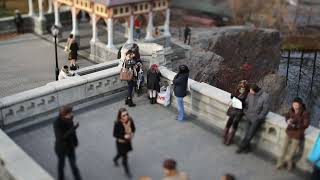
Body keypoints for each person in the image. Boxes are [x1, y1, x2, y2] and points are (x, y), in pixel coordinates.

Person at [276, 97, 309, 171]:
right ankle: (279, 163)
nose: (295, 106)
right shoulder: (291, 110)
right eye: (294, 104)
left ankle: (289, 165)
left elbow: (306, 124)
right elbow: (287, 116)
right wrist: (287, 120)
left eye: (296, 105)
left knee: (292, 152)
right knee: (283, 149)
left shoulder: (305, 113)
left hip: (297, 134)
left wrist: (296, 125)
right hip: (289, 132)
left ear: (300, 105)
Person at [236, 84, 270, 154]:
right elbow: (246, 103)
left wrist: (259, 118)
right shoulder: (250, 94)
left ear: (255, 90)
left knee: (250, 134)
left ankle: (241, 147)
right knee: (247, 132)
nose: (250, 91)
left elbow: (265, 110)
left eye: (251, 90)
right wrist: (245, 111)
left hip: (256, 119)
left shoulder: (265, 96)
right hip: (248, 116)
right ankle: (247, 148)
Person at [53, 106, 82, 180]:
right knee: (61, 165)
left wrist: (75, 141)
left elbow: (73, 133)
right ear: (64, 114)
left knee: (73, 165)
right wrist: (73, 128)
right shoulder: (57, 122)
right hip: (61, 148)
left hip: (70, 147)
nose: (71, 114)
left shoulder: (70, 119)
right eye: (70, 113)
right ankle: (61, 178)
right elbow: (61, 137)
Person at [223, 80, 249, 145]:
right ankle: (225, 136)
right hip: (234, 108)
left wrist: (241, 100)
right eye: (241, 86)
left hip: (240, 110)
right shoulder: (237, 90)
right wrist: (233, 96)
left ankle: (230, 139)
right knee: (229, 121)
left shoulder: (248, 93)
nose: (242, 87)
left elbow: (247, 103)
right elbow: (232, 96)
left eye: (243, 86)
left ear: (246, 87)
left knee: (235, 122)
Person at [113, 108, 136, 178]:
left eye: (126, 114)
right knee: (124, 157)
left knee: (120, 154)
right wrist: (124, 136)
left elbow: (134, 128)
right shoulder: (117, 123)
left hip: (127, 142)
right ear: (120, 116)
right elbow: (114, 134)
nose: (126, 116)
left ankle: (115, 159)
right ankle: (127, 171)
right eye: (123, 115)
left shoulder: (130, 120)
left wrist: (132, 133)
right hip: (120, 143)